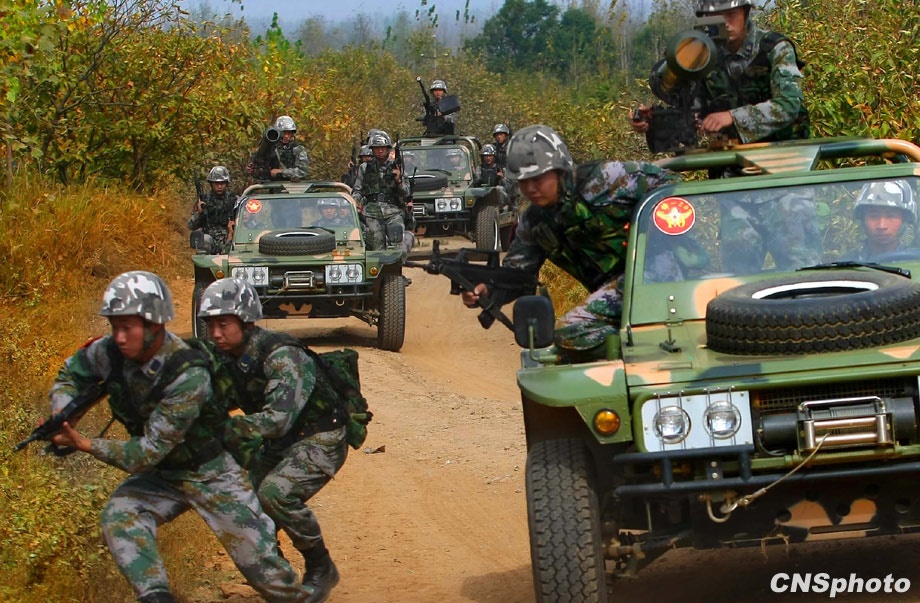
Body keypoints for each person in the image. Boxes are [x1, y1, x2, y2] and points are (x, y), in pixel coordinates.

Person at [47, 271, 314, 603]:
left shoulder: (187, 373)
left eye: (128, 327)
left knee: (272, 581)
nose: (119, 337)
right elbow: (70, 374)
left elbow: (146, 454)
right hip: (163, 475)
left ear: (154, 325)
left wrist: (83, 443)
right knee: (120, 514)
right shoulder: (109, 351)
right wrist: (63, 412)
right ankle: (156, 596)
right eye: (115, 326)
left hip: (212, 472)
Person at [461, 125, 678, 355]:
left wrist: (652, 229)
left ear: (559, 169)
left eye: (538, 178)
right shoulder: (534, 223)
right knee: (570, 336)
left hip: (668, 274)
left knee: (569, 331)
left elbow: (670, 184)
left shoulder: (606, 179)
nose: (531, 188)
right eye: (523, 181)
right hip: (622, 293)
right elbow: (518, 276)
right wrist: (487, 290)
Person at [199, 278, 349, 601]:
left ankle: (321, 566)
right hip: (282, 443)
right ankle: (280, 581)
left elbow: (277, 421)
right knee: (240, 507)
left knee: (274, 493)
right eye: (210, 325)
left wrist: (226, 430)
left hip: (322, 436)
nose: (215, 333)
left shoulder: (281, 355)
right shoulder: (229, 358)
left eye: (223, 324)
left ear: (245, 321)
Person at [631, 0, 808, 145]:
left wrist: (732, 117)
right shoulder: (704, 57)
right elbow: (695, 113)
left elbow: (788, 105)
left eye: (731, 14)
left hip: (784, 157)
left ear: (745, 13)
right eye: (716, 17)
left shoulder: (774, 48)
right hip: (730, 163)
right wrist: (652, 120)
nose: (725, 23)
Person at [351, 132, 414, 255]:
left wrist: (399, 180)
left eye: (383, 148)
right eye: (377, 148)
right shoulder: (364, 168)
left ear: (387, 148)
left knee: (397, 245)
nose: (380, 151)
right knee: (376, 247)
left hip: (393, 211)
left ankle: (396, 267)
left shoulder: (397, 167)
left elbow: (406, 193)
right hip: (371, 212)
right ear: (372, 149)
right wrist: (354, 203)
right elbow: (358, 190)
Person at [852, 180, 917, 261]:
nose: (881, 226)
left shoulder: (915, 261)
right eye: (874, 216)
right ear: (863, 219)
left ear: (904, 219)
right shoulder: (848, 263)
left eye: (891, 216)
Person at [189, 166, 237, 254]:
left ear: (226, 183)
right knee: (204, 240)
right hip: (210, 238)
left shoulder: (234, 200)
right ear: (211, 183)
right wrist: (199, 213)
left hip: (230, 236)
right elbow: (191, 226)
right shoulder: (204, 201)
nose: (219, 186)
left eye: (222, 183)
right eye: (216, 183)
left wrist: (233, 227)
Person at [249, 115, 310, 182]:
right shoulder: (271, 149)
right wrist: (255, 171)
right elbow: (263, 172)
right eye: (284, 133)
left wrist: (281, 172)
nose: (286, 136)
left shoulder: (297, 149)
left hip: (294, 186)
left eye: (289, 133)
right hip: (274, 186)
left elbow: (303, 172)